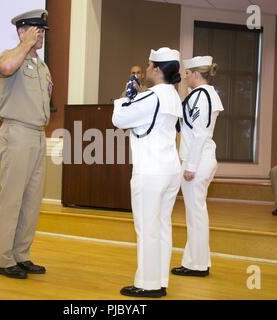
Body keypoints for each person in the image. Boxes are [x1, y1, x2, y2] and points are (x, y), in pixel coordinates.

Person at [112, 47, 182, 298]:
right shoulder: (174, 96)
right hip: (170, 169)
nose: (148, 68)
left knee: (146, 228)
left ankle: (147, 284)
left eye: (150, 65)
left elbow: (119, 119)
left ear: (158, 70)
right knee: (162, 226)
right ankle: (160, 279)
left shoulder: (152, 96)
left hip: (151, 170)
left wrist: (127, 96)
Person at [0, 9, 52, 279]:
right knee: (12, 200)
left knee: (31, 201)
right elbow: (5, 68)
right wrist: (25, 44)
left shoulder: (41, 66)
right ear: (22, 30)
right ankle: (4, 260)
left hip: (38, 135)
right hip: (16, 133)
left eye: (42, 32)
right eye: (36, 31)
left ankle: (21, 254)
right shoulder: (9, 57)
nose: (40, 36)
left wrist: (31, 47)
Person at [171, 56, 223, 278]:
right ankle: (197, 261)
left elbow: (200, 133)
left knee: (196, 215)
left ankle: (197, 265)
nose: (184, 76)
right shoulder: (203, 95)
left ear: (196, 74)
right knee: (196, 214)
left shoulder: (201, 96)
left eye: (187, 72)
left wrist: (190, 166)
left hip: (198, 160)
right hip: (200, 158)